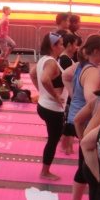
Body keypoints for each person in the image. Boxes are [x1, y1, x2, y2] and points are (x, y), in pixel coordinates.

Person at [62, 35, 100, 200]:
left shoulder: (79, 66)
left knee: (85, 164)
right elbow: (91, 98)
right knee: (88, 166)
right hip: (85, 123)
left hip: (77, 119)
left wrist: (75, 96)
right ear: (97, 51)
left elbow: (66, 76)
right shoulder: (92, 72)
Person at [31, 32, 66, 180]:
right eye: (61, 44)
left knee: (53, 138)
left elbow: (33, 75)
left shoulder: (43, 60)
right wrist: (55, 96)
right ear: (53, 46)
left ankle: (45, 170)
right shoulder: (51, 62)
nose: (63, 47)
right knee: (53, 140)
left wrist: (42, 92)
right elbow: (44, 79)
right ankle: (45, 172)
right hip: (52, 109)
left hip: (44, 105)